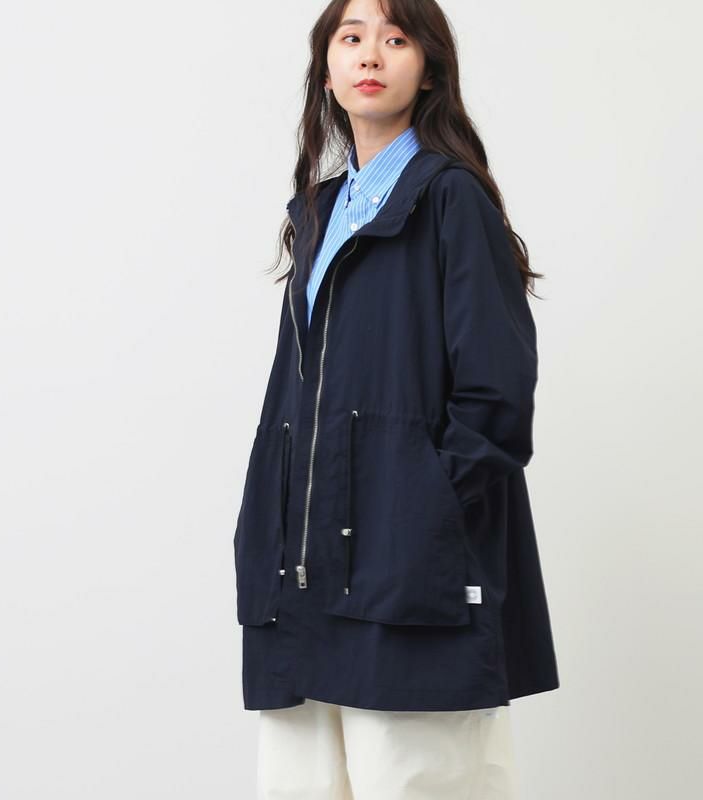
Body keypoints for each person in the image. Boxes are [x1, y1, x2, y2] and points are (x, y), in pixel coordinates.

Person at [232, 0, 560, 797]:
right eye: (351, 38)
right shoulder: (318, 213)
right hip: (302, 575)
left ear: (429, 68)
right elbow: (300, 397)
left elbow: (496, 396)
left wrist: (422, 516)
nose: (370, 54)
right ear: (328, 71)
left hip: (411, 574)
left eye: (395, 37)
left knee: (417, 782)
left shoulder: (451, 198)